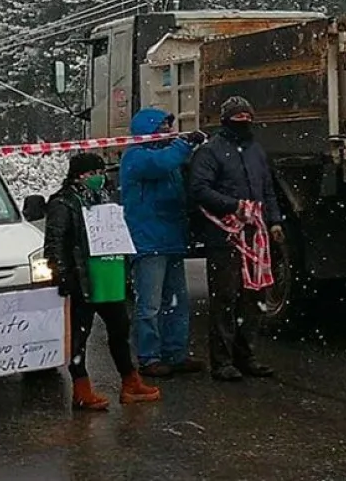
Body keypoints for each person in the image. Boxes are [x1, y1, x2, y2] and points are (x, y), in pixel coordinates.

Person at [44, 152, 161, 410]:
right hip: (82, 280)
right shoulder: (63, 203)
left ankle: (130, 382)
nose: (98, 178)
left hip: (107, 276)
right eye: (91, 173)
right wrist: (62, 275)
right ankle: (81, 389)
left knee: (120, 328)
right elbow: (54, 244)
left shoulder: (105, 201)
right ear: (77, 176)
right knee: (78, 336)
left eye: (100, 173)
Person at [188, 96, 284, 382]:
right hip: (224, 236)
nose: (243, 122)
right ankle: (222, 361)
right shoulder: (210, 152)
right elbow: (199, 189)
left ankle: (247, 356)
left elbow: (267, 189)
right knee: (225, 298)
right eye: (237, 118)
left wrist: (275, 221)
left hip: (256, 235)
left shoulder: (255, 150)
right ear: (226, 120)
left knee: (252, 298)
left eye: (247, 117)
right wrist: (233, 206)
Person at [119, 108, 207, 377]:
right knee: (150, 304)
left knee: (177, 302)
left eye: (170, 127)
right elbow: (163, 164)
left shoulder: (165, 157)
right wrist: (185, 144)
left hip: (171, 238)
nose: (169, 131)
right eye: (163, 127)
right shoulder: (137, 157)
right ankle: (149, 357)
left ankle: (175, 352)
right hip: (148, 240)